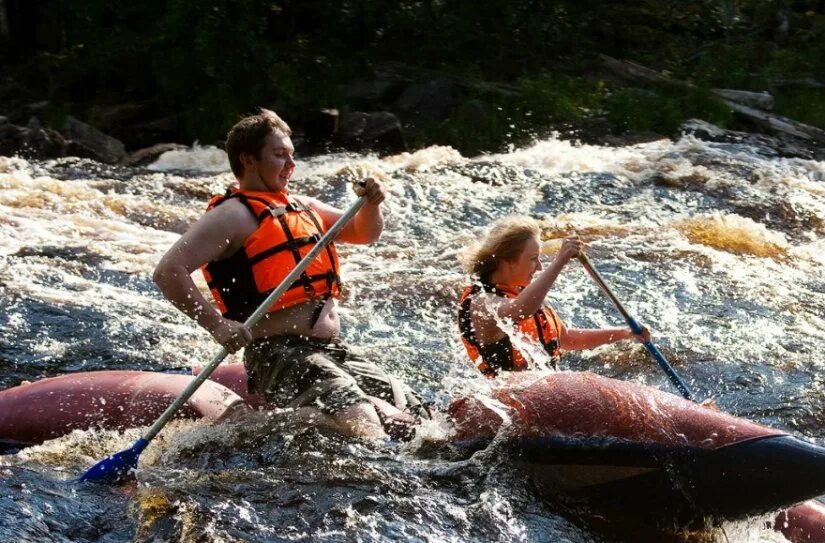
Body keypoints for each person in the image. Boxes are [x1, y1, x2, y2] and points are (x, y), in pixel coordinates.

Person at [153, 109, 421, 439]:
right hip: (278, 352)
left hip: (329, 349)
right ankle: (258, 431)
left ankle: (297, 423)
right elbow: (168, 272)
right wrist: (217, 324)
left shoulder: (303, 207)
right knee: (361, 419)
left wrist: (371, 205)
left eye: (292, 155)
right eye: (280, 155)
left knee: (415, 414)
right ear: (248, 160)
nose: (291, 165)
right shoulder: (232, 215)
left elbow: (365, 234)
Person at [457, 216, 650, 377]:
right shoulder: (481, 302)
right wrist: (559, 261)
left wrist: (625, 333)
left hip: (544, 390)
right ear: (507, 262)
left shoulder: (523, 291)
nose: (539, 267)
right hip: (506, 400)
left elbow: (566, 339)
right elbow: (519, 310)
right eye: (533, 259)